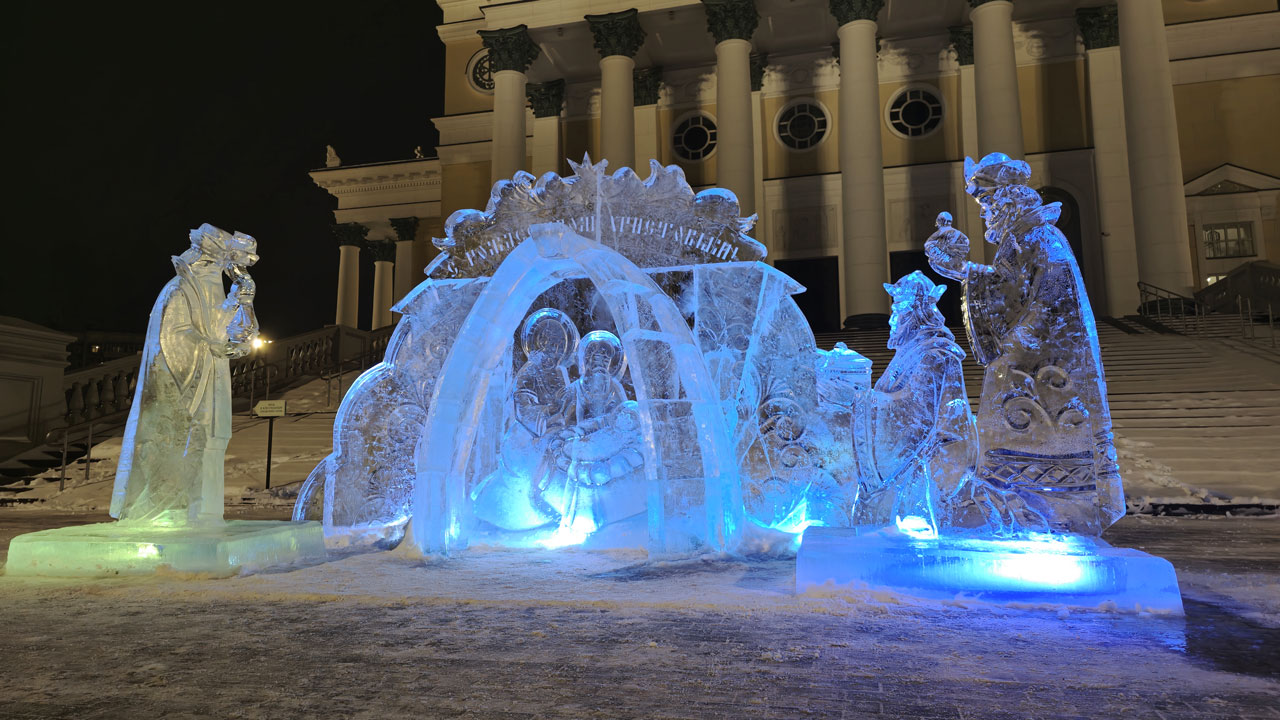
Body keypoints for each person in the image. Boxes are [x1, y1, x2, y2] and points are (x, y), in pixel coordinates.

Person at [925, 153, 1123, 535]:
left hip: (1044, 361)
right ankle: (1016, 506)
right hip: (1029, 361)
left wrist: (1019, 340)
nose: (984, 214)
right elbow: (1010, 288)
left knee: (1033, 419)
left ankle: (1044, 509)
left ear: (1007, 199)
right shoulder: (1023, 237)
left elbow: (1048, 293)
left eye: (987, 204)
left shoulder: (1041, 236)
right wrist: (963, 272)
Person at [110, 224, 258, 525]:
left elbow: (233, 330)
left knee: (210, 443)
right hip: (182, 393)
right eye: (220, 263)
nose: (222, 270)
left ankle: (201, 516)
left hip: (212, 385)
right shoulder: (179, 291)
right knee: (183, 448)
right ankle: (164, 511)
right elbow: (173, 341)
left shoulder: (211, 291)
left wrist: (244, 299)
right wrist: (218, 346)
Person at [852, 271, 977, 534]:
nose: (893, 318)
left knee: (914, 524)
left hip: (935, 456)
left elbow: (918, 411)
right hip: (912, 456)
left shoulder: (935, 352)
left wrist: (868, 401)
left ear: (917, 312)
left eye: (899, 309)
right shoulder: (909, 352)